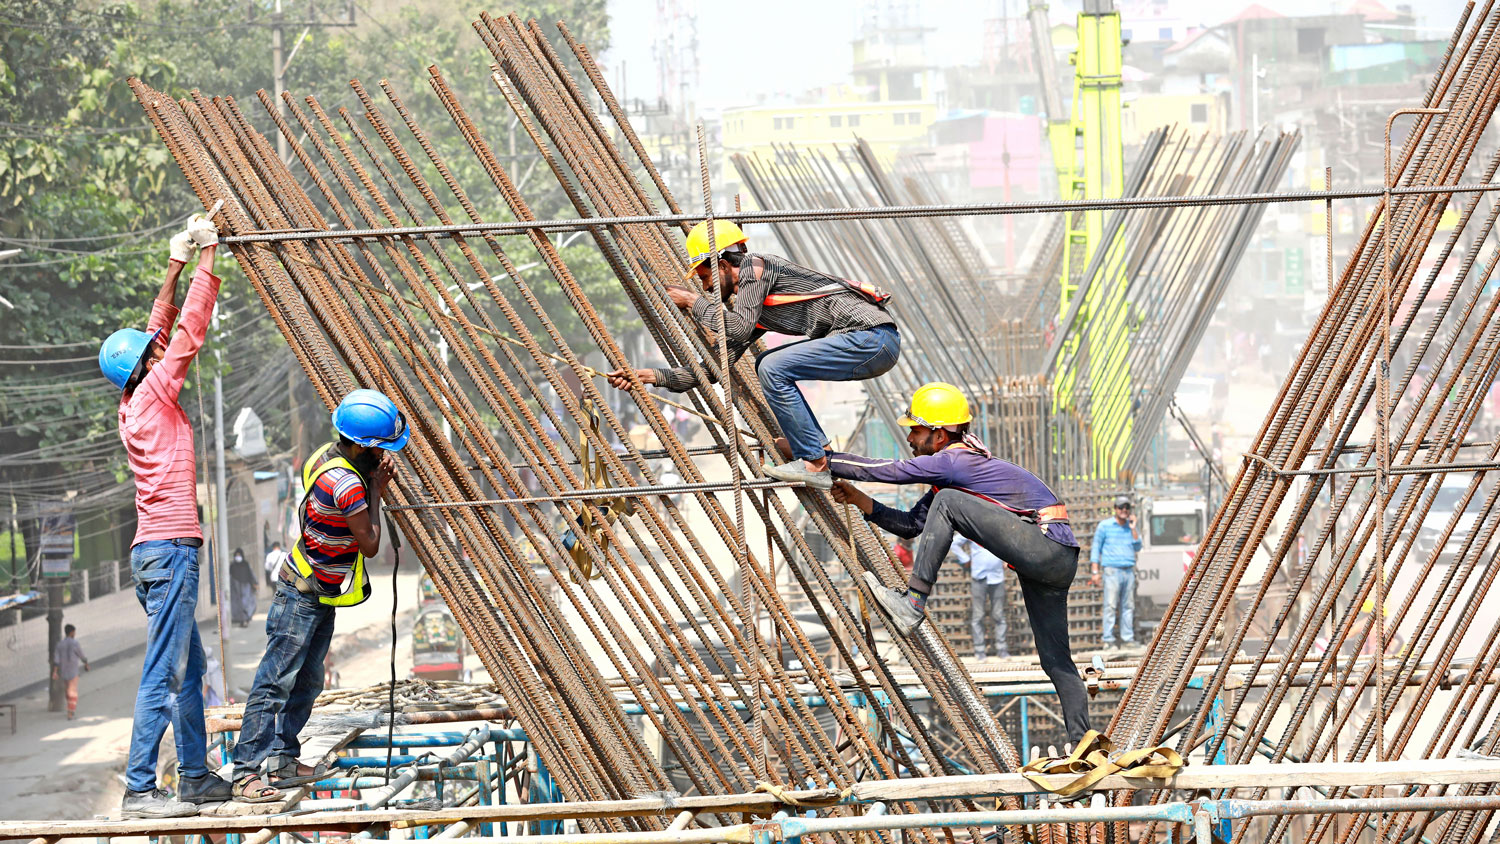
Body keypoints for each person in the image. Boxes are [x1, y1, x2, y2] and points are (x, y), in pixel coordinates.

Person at [825, 382, 1091, 741]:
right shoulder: (956, 472)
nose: (911, 439)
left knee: (948, 501)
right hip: (1053, 560)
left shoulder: (956, 462)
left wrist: (823, 460)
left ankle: (912, 603)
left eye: (915, 431)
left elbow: (892, 470)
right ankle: (1084, 744)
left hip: (1044, 545)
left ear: (939, 435)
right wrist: (858, 499)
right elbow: (908, 526)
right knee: (1056, 661)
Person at [605, 220, 900, 490]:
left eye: (705, 277)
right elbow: (716, 369)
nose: (706, 286)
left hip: (871, 338)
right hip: (866, 345)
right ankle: (813, 451)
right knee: (766, 364)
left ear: (721, 264)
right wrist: (653, 376)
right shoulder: (753, 308)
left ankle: (814, 461)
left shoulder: (757, 267)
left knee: (771, 365)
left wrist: (693, 302)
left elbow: (736, 327)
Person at [99, 212, 230, 818]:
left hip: (152, 551)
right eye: (152, 354)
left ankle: (196, 774)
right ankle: (140, 789)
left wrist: (174, 261)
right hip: (172, 547)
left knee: (190, 664)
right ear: (144, 368)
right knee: (164, 672)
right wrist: (208, 258)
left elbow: (156, 332)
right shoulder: (155, 390)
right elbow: (188, 334)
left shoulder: (133, 398)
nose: (160, 348)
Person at [231, 389, 408, 803]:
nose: (383, 456)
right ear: (364, 446)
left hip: (319, 593)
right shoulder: (347, 483)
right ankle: (245, 773)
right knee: (274, 682)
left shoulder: (328, 456)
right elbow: (369, 544)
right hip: (302, 594)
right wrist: (378, 489)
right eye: (380, 449)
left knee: (308, 680)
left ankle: (283, 758)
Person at [1091, 495, 1143, 651]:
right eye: (1121, 507)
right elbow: (1096, 549)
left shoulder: (1131, 527)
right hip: (1112, 571)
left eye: (1127, 507)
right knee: (1110, 606)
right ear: (1115, 509)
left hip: (1128, 571)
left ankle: (1127, 639)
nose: (1124, 510)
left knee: (1128, 606)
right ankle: (1108, 640)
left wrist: (1133, 528)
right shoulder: (1104, 526)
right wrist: (1095, 571)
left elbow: (1137, 546)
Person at [953, 536, 1009, 660]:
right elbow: (954, 543)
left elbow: (1008, 542)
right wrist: (965, 559)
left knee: (999, 615)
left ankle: (1002, 649)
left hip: (997, 577)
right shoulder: (971, 528)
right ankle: (979, 651)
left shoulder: (995, 529)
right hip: (979, 577)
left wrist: (1007, 559)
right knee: (978, 615)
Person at [52, 623, 89, 719]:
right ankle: (70, 711)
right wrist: (86, 664)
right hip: (73, 671)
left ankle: (70, 708)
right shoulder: (75, 643)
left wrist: (55, 672)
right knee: (73, 691)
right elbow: (81, 655)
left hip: (64, 671)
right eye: (74, 632)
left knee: (68, 691)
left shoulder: (59, 645)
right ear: (72, 632)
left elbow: (56, 660)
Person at [229, 547, 258, 627]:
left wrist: (255, 583)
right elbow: (229, 577)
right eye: (236, 555)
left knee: (246, 603)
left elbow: (251, 574)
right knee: (238, 605)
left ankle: (246, 618)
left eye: (239, 555)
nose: (238, 557)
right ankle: (242, 620)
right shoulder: (232, 565)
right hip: (235, 588)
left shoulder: (246, 564)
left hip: (246, 586)